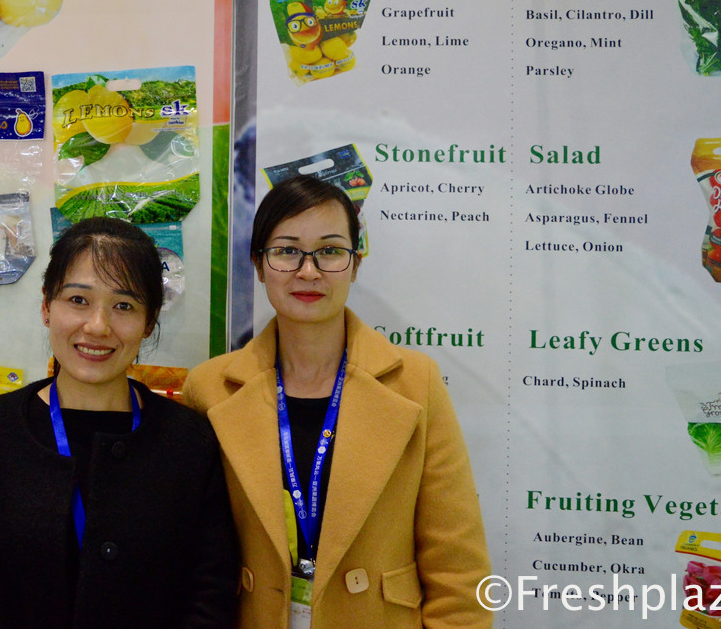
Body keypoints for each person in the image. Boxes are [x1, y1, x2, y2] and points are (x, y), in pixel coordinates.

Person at [184, 175, 491, 628]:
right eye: (287, 251)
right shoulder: (209, 388)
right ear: (259, 265)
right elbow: (191, 558)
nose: (308, 271)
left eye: (329, 251)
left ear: (355, 263)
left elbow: (458, 573)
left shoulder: (415, 383)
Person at [0, 216, 240, 629]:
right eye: (78, 300)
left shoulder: (188, 442)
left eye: (124, 306)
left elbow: (210, 593)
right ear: (46, 307)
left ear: (149, 322)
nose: (97, 326)